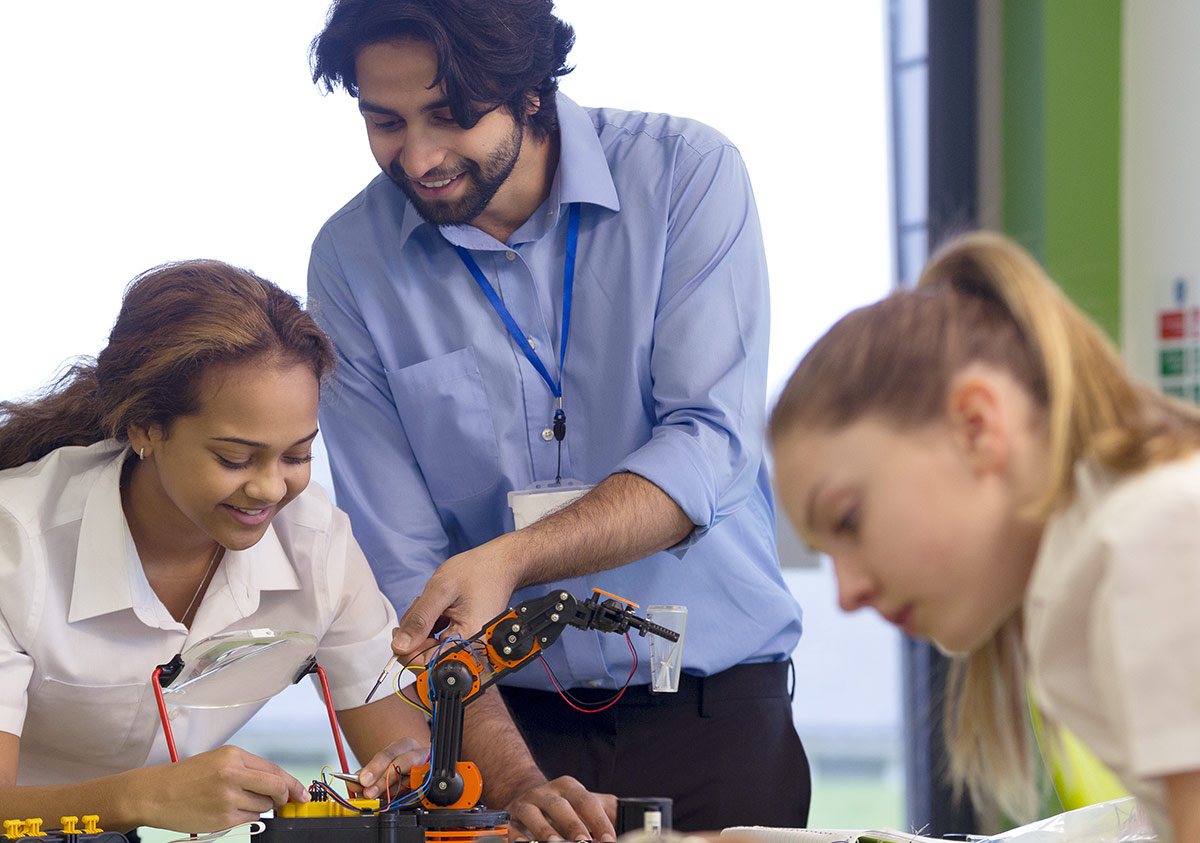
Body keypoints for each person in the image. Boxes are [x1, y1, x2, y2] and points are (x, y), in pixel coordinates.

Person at [306, 0, 810, 832]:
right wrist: (512, 780)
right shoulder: (351, 261)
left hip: (717, 717)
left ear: (530, 90)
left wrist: (514, 558)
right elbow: (403, 559)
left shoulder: (688, 173)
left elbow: (708, 446)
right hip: (500, 723)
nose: (420, 157)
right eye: (385, 121)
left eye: (451, 116)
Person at [768, 231, 1200, 841]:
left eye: (848, 521)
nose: (847, 594)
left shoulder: (1150, 541)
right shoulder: (1087, 570)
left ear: (975, 426)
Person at [0, 261, 432, 833]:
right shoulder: (16, 543)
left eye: (298, 455)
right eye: (234, 459)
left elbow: (404, 747)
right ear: (144, 428)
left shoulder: (315, 541)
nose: (271, 489)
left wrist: (408, 771)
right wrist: (143, 798)